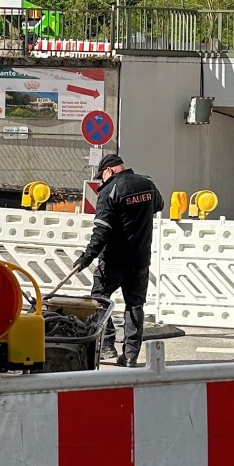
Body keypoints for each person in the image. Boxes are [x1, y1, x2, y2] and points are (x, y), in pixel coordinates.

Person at [61, 152, 163, 366]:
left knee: (100, 300)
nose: (102, 180)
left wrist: (86, 258)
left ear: (109, 170)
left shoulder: (109, 190)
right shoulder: (147, 184)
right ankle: (131, 355)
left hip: (114, 260)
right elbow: (159, 205)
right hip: (140, 259)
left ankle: (106, 346)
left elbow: (102, 232)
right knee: (135, 305)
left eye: (102, 176)